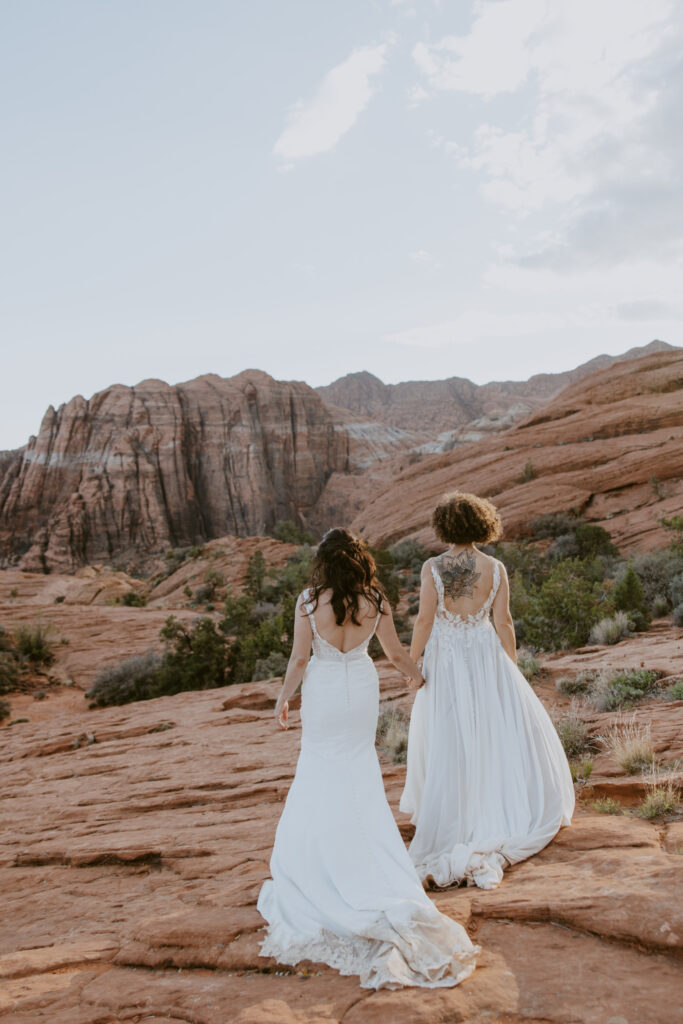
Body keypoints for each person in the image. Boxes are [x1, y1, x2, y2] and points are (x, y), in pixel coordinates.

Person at [257, 527, 479, 990]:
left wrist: (283, 699)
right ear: (360, 561)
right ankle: (366, 855)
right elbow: (395, 654)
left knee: (319, 766)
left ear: (323, 560)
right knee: (359, 768)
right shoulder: (375, 601)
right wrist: (419, 677)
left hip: (322, 689)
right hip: (359, 687)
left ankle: (321, 861)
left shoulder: (307, 600)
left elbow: (299, 659)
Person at [400, 492, 574, 891]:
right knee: (491, 733)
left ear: (444, 526)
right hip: (484, 656)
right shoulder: (495, 568)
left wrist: (414, 666)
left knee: (450, 735)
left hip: (446, 660)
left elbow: (425, 620)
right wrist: (509, 667)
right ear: (482, 524)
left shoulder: (433, 567)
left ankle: (454, 815)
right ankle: (490, 811)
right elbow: (505, 622)